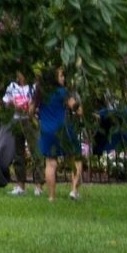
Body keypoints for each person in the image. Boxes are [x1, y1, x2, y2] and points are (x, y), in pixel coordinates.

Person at [37, 68, 83, 201]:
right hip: (63, 129)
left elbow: (30, 109)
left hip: (46, 130)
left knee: (50, 163)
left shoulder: (41, 92)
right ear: (54, 78)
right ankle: (74, 190)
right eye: (61, 76)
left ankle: (51, 196)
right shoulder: (63, 92)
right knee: (76, 156)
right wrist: (80, 107)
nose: (64, 78)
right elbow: (76, 109)